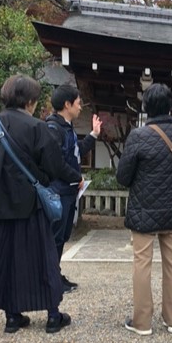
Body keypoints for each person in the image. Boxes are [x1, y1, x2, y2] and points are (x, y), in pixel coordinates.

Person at [116, 83, 172, 336]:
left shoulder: (138, 136)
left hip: (144, 211)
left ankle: (142, 322)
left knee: (142, 264)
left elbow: (123, 177)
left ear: (145, 107)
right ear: (171, 106)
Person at [0, 74, 71, 333]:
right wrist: (43, 179)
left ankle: (12, 317)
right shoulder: (36, 128)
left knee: (6, 260)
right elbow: (53, 165)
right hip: (32, 206)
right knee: (44, 257)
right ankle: (52, 316)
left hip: (1, 208)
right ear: (29, 101)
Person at [47, 85, 102, 293]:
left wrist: (94, 135)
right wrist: (76, 176)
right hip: (59, 192)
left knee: (61, 237)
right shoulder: (53, 128)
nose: (80, 107)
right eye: (78, 103)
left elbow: (75, 152)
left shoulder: (66, 127)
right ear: (67, 104)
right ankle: (50, 278)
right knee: (55, 237)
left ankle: (55, 273)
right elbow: (57, 163)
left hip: (68, 192)